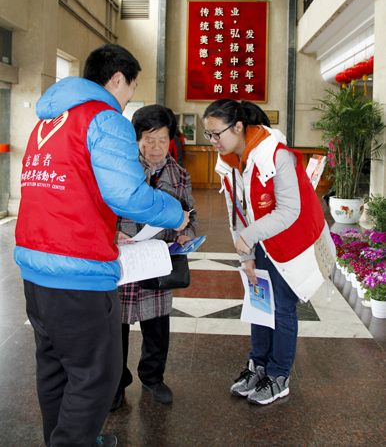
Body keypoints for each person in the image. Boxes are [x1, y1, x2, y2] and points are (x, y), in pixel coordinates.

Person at [14, 44, 189, 447]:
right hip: (78, 273)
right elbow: (127, 194)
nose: (128, 96)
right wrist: (174, 212)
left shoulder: (48, 121)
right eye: (131, 86)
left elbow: (64, 192)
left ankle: (62, 438)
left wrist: (103, 226)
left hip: (36, 266)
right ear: (116, 79)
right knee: (97, 374)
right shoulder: (103, 117)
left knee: (55, 368)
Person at [202, 99, 335, 406]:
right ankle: (258, 366)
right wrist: (245, 255)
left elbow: (290, 209)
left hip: (290, 244)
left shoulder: (277, 155)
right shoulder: (231, 161)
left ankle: (278, 376)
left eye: (216, 134)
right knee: (260, 303)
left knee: (283, 309)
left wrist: (248, 237)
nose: (212, 142)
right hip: (260, 243)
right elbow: (235, 211)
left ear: (238, 127)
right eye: (208, 135)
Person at [111, 104, 197, 409]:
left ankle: (153, 377)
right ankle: (116, 384)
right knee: (114, 330)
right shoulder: (119, 169)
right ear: (136, 139)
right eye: (149, 139)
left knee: (157, 326)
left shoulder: (179, 175)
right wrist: (113, 233)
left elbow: (189, 213)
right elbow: (100, 211)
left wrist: (186, 232)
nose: (156, 147)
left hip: (156, 264)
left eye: (162, 139)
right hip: (121, 261)